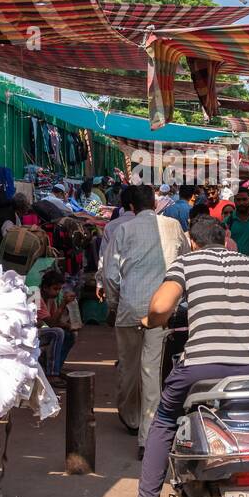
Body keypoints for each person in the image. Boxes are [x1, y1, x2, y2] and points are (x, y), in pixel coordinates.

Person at [129, 216, 249, 497]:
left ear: (192, 241)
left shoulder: (186, 264)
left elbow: (162, 305)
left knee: (164, 419)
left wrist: (151, 321)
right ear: (227, 237)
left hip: (201, 368)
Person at [102, 184, 190, 456]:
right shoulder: (174, 226)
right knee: (151, 372)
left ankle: (131, 418)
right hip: (160, 309)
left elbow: (109, 275)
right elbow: (185, 260)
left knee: (128, 367)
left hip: (129, 307)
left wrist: (115, 304)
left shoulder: (122, 230)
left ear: (130, 207)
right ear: (155, 204)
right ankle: (147, 436)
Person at [37, 269, 78, 382]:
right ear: (45, 287)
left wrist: (69, 326)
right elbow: (51, 323)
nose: (57, 292)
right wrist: (63, 304)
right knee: (57, 332)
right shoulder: (35, 296)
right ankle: (52, 374)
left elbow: (55, 321)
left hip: (42, 331)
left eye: (59, 289)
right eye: (55, 289)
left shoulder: (51, 299)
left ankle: (57, 368)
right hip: (30, 333)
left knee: (70, 335)